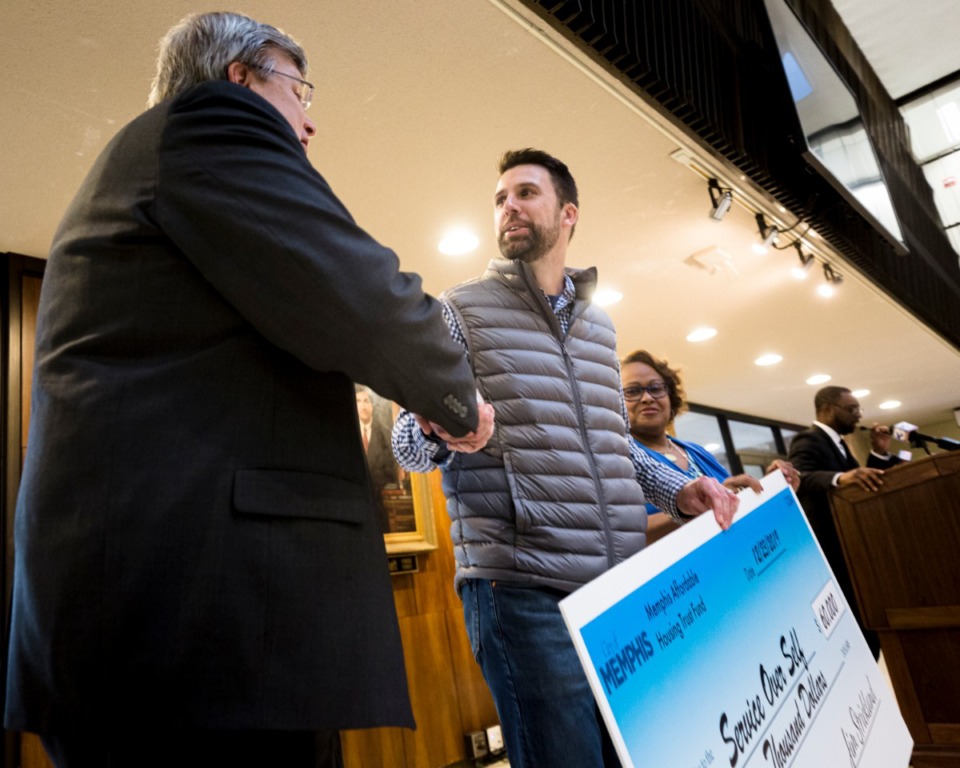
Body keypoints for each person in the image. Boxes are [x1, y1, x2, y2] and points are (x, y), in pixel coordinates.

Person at [4, 12, 494, 767]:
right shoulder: (211, 120)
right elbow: (357, 293)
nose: (311, 120)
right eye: (299, 90)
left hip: (155, 627)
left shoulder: (155, 160)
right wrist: (453, 393)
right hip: (194, 632)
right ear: (240, 77)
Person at [392, 148, 739, 768]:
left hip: (616, 585)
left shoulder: (599, 328)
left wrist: (677, 490)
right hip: (522, 589)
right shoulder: (458, 310)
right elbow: (407, 447)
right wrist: (444, 425)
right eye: (500, 198)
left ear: (568, 213)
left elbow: (613, 442)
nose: (509, 207)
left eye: (525, 193)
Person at [620, 349, 799, 543]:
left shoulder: (696, 451)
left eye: (655, 388)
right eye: (633, 391)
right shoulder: (619, 459)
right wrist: (700, 505)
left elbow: (733, 502)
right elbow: (621, 536)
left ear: (670, 396)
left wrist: (767, 487)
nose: (647, 398)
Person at [788, 386, 883, 658]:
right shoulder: (808, 439)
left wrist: (877, 454)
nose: (858, 415)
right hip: (832, 548)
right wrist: (840, 478)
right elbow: (800, 477)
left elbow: (862, 481)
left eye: (858, 409)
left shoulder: (840, 444)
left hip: (852, 544)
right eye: (852, 409)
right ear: (829, 408)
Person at [356, 386, 401, 531]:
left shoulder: (386, 434)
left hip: (380, 504)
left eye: (366, 401)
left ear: (372, 406)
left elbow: (392, 471)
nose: (363, 406)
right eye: (359, 401)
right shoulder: (348, 436)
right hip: (355, 506)